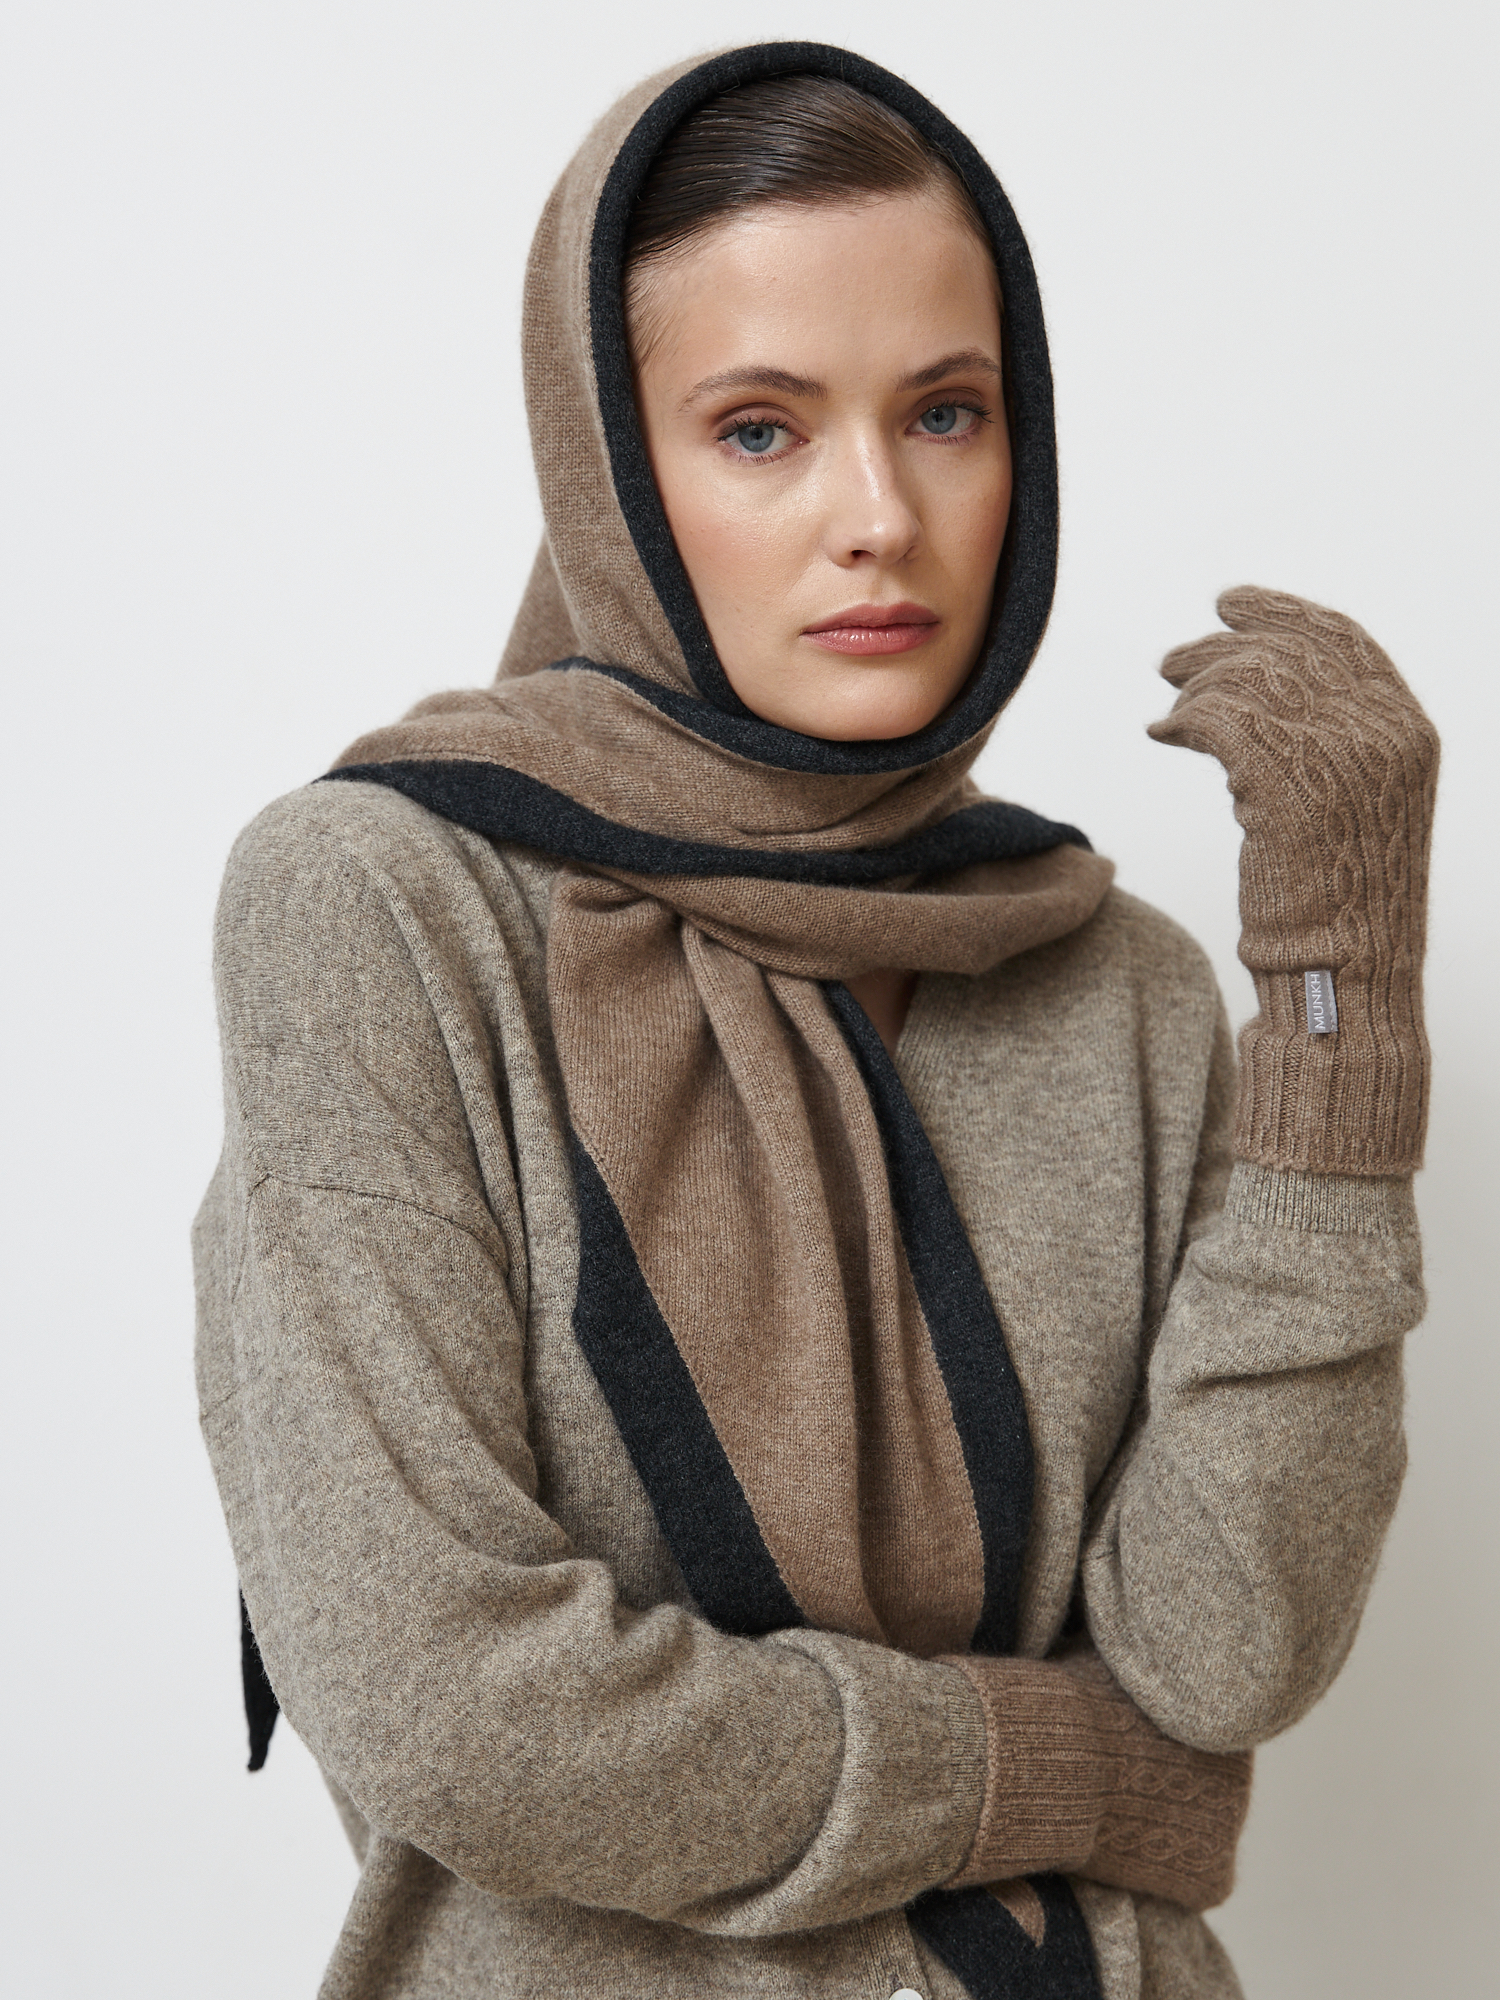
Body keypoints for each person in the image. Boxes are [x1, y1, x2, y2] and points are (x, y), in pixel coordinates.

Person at [194, 41, 1436, 2000]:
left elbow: (1222, 1658)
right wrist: (1051, 1767)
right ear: (611, 468)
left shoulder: (1117, 981)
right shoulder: (382, 909)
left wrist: (1338, 995)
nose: (881, 516)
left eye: (945, 412)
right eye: (761, 429)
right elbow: (458, 1705)